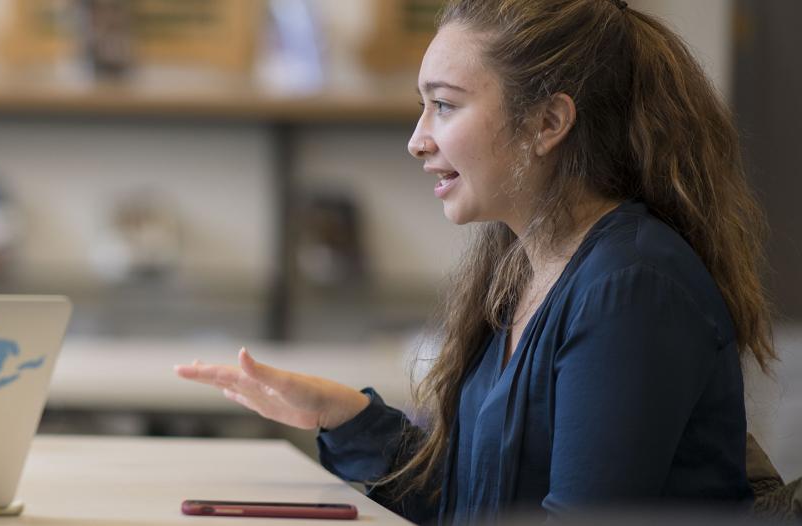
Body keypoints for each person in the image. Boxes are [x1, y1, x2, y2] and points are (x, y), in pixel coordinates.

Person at [176, 0, 775, 523]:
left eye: (444, 105)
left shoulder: (632, 288)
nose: (417, 138)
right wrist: (342, 415)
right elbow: (468, 503)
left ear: (548, 122)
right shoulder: (524, 268)